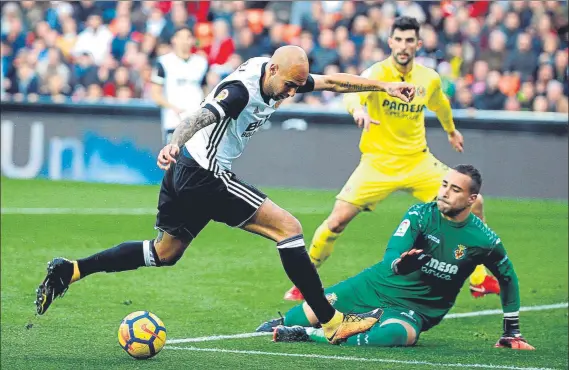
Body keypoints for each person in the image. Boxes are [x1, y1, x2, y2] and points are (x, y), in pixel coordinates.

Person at [35, 45, 416, 344]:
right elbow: (200, 115)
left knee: (162, 253)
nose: (290, 94)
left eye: (296, 88)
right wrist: (174, 142)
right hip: (205, 174)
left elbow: (332, 82)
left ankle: (72, 269)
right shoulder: (239, 93)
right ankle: (332, 323)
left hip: (186, 171)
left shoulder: (278, 73)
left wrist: (383, 86)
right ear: (272, 71)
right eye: (288, 86)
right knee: (289, 228)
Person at [284, 16, 498, 302]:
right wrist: (358, 111)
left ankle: (479, 279)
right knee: (335, 222)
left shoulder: (428, 78)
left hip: (418, 162)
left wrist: (451, 130)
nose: (404, 46)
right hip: (377, 164)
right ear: (390, 42)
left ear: (418, 44)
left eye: (410, 40)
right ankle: (305, 281)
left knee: (476, 203)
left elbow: (441, 104)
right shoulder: (376, 73)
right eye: (398, 39)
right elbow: (351, 94)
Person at [261, 165, 535, 351]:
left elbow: (507, 277)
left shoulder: (484, 240)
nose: (445, 192)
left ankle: (312, 336)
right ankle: (315, 324)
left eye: (455, 189)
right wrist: (401, 264)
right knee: (297, 315)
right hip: (373, 286)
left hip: (415, 309)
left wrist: (511, 330)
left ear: (471, 199)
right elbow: (393, 252)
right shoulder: (420, 214)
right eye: (443, 185)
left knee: (393, 335)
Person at [151, 26, 209, 144]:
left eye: (187, 37)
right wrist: (173, 108)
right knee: (173, 159)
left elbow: (205, 90)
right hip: (173, 121)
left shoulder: (201, 63)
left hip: (196, 122)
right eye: (180, 37)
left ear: (193, 40)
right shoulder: (164, 62)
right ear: (174, 40)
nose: (184, 41)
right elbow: (155, 94)